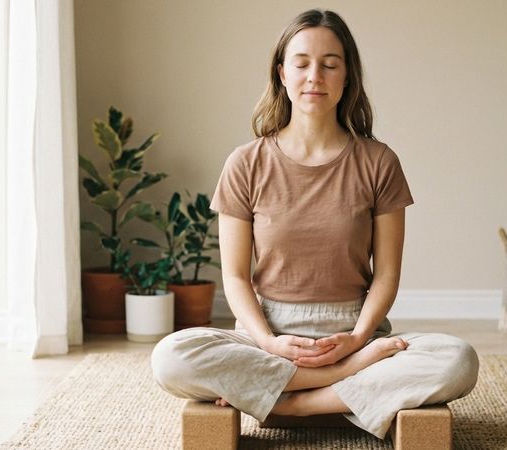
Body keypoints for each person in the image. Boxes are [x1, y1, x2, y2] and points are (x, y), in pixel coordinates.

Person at [151, 8, 479, 440]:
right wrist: (268, 342)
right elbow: (235, 277)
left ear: (347, 77)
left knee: (457, 359)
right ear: (282, 74)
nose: (314, 77)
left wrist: (357, 340)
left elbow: (386, 275)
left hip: (355, 331)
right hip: (268, 334)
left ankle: (294, 403)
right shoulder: (245, 163)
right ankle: (343, 381)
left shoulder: (379, 161)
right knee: (171, 357)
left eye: (330, 64)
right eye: (302, 63)